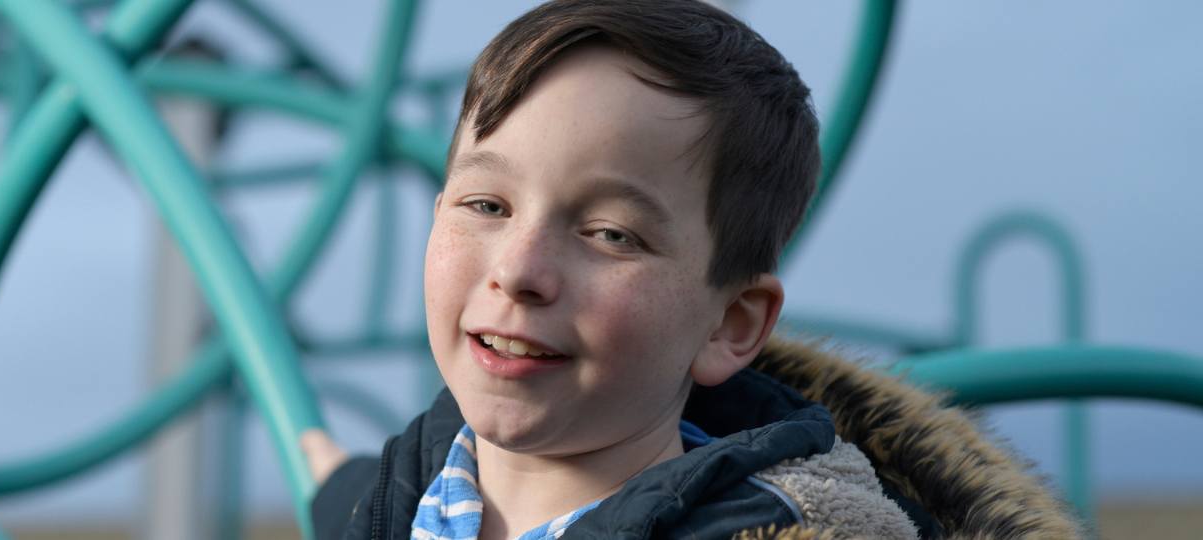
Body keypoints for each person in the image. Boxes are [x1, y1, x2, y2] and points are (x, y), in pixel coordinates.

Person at [301, 1, 1080, 537]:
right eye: (486, 205)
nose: (520, 269)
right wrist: (336, 483)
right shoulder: (416, 477)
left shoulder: (791, 527)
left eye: (610, 234)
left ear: (728, 325)